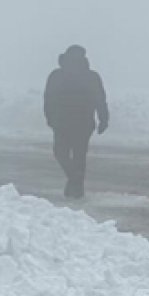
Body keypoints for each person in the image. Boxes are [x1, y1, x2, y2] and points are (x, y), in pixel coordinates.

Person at [43, 44, 108, 199]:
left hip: (81, 123)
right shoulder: (57, 75)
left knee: (77, 156)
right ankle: (75, 182)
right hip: (64, 122)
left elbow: (100, 99)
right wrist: (50, 117)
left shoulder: (91, 76)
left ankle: (76, 187)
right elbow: (48, 98)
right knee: (63, 154)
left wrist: (104, 118)